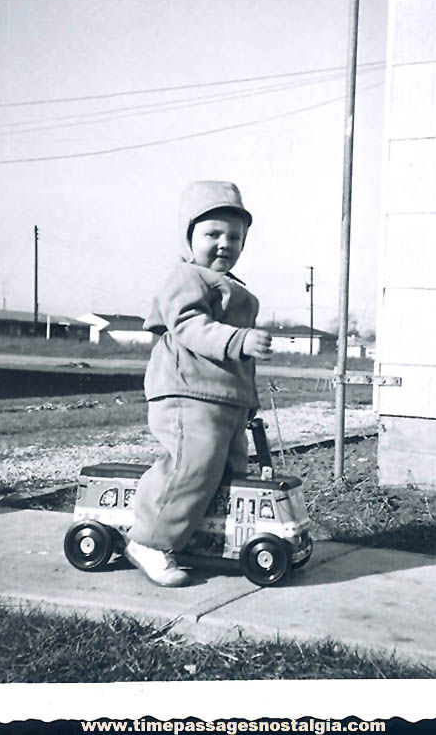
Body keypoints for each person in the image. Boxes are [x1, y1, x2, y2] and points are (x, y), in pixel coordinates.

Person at [124, 180, 272, 586]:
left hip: (225, 399)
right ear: (189, 238)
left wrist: (248, 398)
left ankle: (198, 538)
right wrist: (239, 339)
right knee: (193, 465)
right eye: (212, 234)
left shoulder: (236, 289)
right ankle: (150, 541)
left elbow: (237, 362)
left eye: (235, 236)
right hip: (188, 393)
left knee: (231, 473)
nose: (225, 243)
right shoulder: (186, 277)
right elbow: (191, 326)